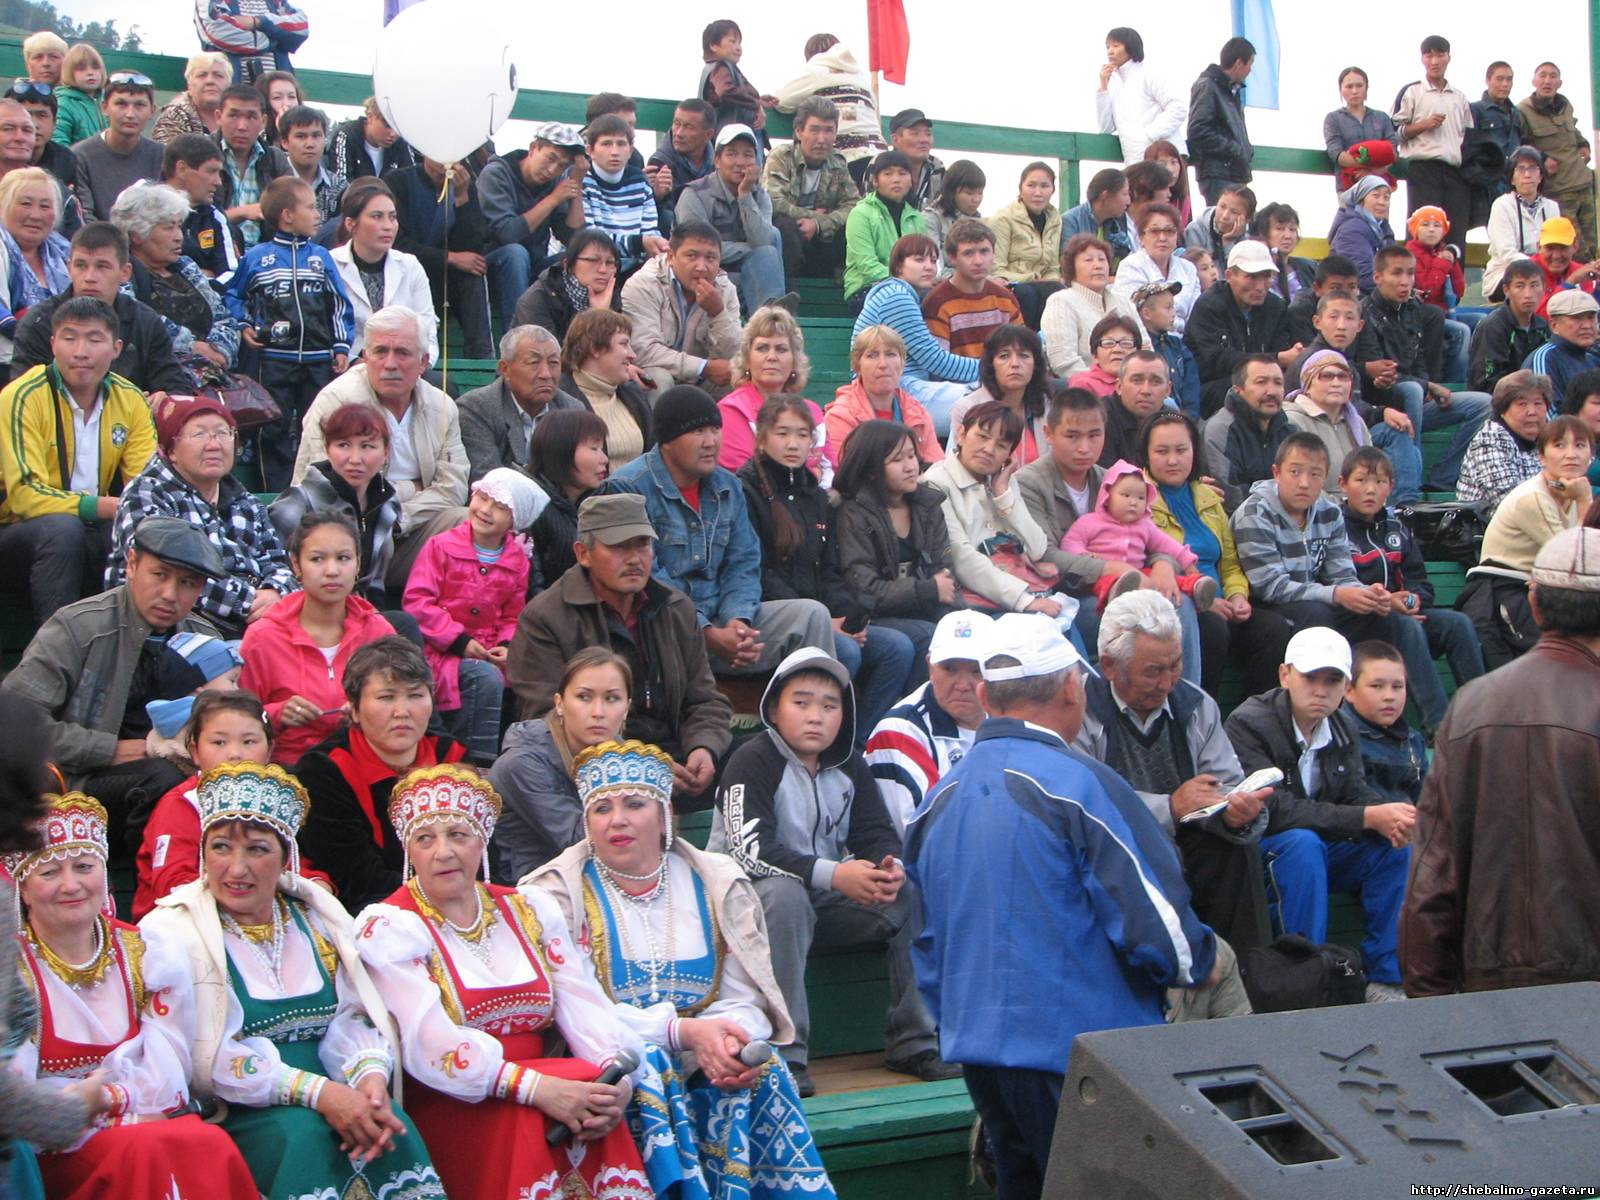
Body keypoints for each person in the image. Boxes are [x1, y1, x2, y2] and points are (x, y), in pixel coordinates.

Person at [906, 613, 1217, 1200]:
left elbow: (923, 941)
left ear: (985, 694)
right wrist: (1198, 963)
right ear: (1074, 688)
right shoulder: (1083, 784)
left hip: (980, 1053)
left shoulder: (935, 800)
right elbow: (1160, 930)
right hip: (1083, 1056)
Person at [530, 733, 835, 1194]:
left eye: (634, 804)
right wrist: (685, 1033)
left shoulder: (716, 882)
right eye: (601, 808)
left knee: (761, 1065)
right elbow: (577, 1014)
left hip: (703, 1059)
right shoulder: (555, 895)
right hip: (611, 1060)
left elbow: (748, 999)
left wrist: (728, 1040)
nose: (617, 820)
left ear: (665, 814)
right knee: (651, 1066)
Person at [344, 762, 653, 1200]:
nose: (443, 852)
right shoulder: (392, 926)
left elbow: (585, 1003)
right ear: (408, 851)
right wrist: (535, 1089)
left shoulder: (529, 909)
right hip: (457, 1098)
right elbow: (431, 1043)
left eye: (459, 835)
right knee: (540, 1112)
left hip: (554, 1081)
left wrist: (615, 1080)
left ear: (482, 841)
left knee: (592, 1091)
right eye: (425, 839)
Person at [140, 759, 446, 1199]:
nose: (237, 868)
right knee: (304, 1136)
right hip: (244, 1108)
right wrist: (321, 1095)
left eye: (257, 849)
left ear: (287, 857)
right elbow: (211, 1057)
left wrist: (369, 1082)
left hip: (338, 1091)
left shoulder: (317, 918)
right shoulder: (174, 931)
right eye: (222, 847)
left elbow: (353, 1015)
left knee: (391, 1126)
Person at [708, 648, 951, 1095]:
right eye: (801, 703)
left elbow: (876, 833)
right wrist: (835, 875)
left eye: (829, 705)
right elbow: (749, 852)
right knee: (785, 893)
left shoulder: (849, 764)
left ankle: (916, 1041)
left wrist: (887, 868)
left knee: (913, 888)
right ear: (774, 708)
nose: (815, 716)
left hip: (821, 903)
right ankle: (786, 1053)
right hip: (748, 907)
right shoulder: (751, 759)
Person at [8, 788, 258, 1199]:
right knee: (143, 1153)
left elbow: (168, 1068)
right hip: (58, 1148)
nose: (71, 885)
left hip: (145, 1119)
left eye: (84, 866)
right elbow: (17, 1098)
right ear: (24, 888)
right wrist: (75, 1109)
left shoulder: (147, 952)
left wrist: (106, 1099)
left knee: (207, 1143)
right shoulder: (14, 973)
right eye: (49, 873)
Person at [1402, 526, 1600, 995]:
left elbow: (1433, 875)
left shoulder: (1471, 704)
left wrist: (1433, 1006)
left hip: (1489, 1002)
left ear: (1533, 604)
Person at [1071, 590, 1272, 950]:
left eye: (1175, 666)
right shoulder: (1079, 711)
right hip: (1116, 852)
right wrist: (1170, 807)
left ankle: (1250, 975)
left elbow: (1224, 783)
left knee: (1233, 851)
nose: (1167, 683)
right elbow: (1085, 805)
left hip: (1190, 844)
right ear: (1109, 666)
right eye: (1153, 672)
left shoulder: (1194, 705)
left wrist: (1239, 812)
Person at [1, 516, 221, 839]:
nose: (170, 594)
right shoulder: (76, 627)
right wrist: (120, 749)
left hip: (176, 776)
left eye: (187, 583)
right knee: (164, 777)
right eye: (159, 575)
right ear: (131, 564)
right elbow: (16, 727)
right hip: (79, 782)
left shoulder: (207, 642)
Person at [1224, 626, 1412, 1002]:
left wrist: (1388, 814)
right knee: (1302, 845)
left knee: (1395, 846)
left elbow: (1355, 791)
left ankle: (1385, 980)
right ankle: (1305, 979)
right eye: (1310, 677)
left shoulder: (1342, 725)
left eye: (1333, 680)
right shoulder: (1248, 722)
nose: (1321, 689)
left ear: (1345, 686)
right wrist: (1363, 818)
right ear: (1284, 675)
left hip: (1318, 847)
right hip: (1257, 853)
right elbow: (1273, 811)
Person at [507, 492, 732, 807]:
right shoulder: (545, 617)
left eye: (642, 545)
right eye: (618, 547)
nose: (634, 559)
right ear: (583, 553)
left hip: (676, 757)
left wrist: (704, 748)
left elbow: (704, 698)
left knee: (746, 762)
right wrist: (641, 763)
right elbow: (550, 721)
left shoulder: (676, 607)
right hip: (592, 769)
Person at [603, 385, 834, 676]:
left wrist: (738, 620)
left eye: (715, 429)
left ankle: (802, 716)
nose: (711, 442)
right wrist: (707, 632)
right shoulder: (629, 488)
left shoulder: (728, 486)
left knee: (811, 615)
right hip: (663, 626)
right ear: (667, 440)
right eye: (698, 432)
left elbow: (744, 562)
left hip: (724, 621)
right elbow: (648, 580)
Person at [739, 395, 916, 737]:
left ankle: (859, 742)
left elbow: (830, 570)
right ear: (762, 438)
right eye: (782, 433)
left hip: (823, 616)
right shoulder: (746, 491)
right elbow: (759, 572)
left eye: (802, 434)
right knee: (845, 651)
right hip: (775, 618)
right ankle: (817, 741)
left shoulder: (817, 497)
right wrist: (822, 621)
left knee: (897, 648)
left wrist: (848, 618)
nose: (793, 443)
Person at [0, 296, 155, 625]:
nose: (80, 351)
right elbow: (25, 496)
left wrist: (122, 511)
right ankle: (53, 659)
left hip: (87, 530)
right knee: (62, 529)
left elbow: (147, 486)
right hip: (14, 532)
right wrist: (104, 506)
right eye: (69, 338)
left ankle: (129, 650)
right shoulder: (22, 395)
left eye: (94, 339)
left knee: (138, 528)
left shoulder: (130, 399)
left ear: (115, 348)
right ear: (53, 344)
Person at [292, 305, 471, 588]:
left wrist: (398, 519)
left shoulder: (443, 407)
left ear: (424, 362)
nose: (389, 364)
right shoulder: (336, 401)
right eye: (379, 352)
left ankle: (451, 624)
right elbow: (320, 487)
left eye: (402, 353)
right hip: (348, 540)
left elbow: (454, 488)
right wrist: (413, 487)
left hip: (411, 533)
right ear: (364, 357)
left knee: (469, 523)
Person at [291, 635, 468, 913]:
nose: (402, 712)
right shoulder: (323, 772)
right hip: (371, 915)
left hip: (456, 905)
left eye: (415, 695)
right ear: (355, 708)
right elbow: (355, 880)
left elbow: (480, 858)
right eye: (386, 697)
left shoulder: (451, 758)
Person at [108, 394, 298, 639]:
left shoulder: (245, 501)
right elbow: (175, 576)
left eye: (222, 433)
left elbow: (278, 563)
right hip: (173, 629)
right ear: (170, 450)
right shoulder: (146, 494)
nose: (214, 445)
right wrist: (251, 601)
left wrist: (275, 593)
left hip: (256, 625)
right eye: (199, 434)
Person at [1140, 410, 1291, 698]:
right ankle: (1200, 715)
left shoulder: (1208, 496)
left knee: (1273, 629)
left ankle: (1254, 717)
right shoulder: (1139, 498)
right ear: (1146, 455)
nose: (1173, 460)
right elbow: (1147, 560)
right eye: (1162, 451)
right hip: (1181, 605)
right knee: (1212, 627)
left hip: (1224, 604)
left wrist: (1237, 597)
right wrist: (1206, 601)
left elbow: (1231, 563)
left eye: (1181, 450)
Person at [402, 469, 541, 765]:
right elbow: (417, 601)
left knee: (519, 677)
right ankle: (476, 760)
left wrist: (507, 644)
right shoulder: (441, 546)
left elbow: (512, 615)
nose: (486, 510)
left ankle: (511, 757)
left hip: (486, 651)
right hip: (438, 650)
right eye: (483, 498)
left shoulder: (516, 563)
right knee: (484, 677)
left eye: (500, 507)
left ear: (514, 521)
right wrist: (458, 640)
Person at [238, 509, 394, 767]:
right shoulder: (262, 637)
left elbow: (402, 704)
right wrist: (277, 713)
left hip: (365, 762)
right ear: (296, 565)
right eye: (317, 559)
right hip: (288, 769)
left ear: (358, 564)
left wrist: (364, 712)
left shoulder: (379, 632)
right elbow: (237, 718)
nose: (332, 570)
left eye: (343, 558)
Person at [1341, 445, 1485, 695]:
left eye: (1380, 481)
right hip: (1359, 626)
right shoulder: (1335, 528)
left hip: (1404, 621)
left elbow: (1419, 583)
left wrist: (1411, 601)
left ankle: (1479, 714)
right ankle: (1437, 726)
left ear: (1391, 486)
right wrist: (1388, 605)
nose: (1371, 489)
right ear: (1343, 484)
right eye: (1361, 480)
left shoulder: (1398, 529)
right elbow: (1339, 586)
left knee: (1457, 624)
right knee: (1409, 627)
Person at [1353, 244, 1491, 490]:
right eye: (1397, 273)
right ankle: (1412, 478)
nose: (1405, 281)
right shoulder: (1365, 313)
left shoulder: (1412, 309)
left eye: (1410, 273)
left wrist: (1425, 383)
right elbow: (1384, 374)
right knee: (1412, 390)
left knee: (1483, 404)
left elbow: (1419, 360)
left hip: (1415, 402)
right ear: (1377, 277)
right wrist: (1425, 385)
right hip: (1382, 408)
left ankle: (1443, 479)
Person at [1460, 416, 1593, 667]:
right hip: (1504, 590)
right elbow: (1575, 560)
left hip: (1546, 592)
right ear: (1541, 457)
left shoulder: (1572, 492)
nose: (1571, 454)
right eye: (1559, 445)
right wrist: (1586, 501)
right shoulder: (1532, 496)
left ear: (1591, 455)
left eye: (1580, 445)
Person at [490, 647, 632, 882]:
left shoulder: (622, 754)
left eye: (612, 698)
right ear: (559, 703)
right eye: (584, 697)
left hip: (608, 883)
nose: (598, 712)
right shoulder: (521, 763)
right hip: (535, 894)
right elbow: (582, 841)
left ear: (626, 708)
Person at [131, 688, 275, 919]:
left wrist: (316, 883)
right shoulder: (181, 804)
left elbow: (295, 866)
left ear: (269, 751)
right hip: (183, 926)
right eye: (219, 742)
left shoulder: (275, 801)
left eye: (249, 741)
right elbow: (172, 884)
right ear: (195, 752)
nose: (235, 753)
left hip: (260, 914)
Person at [10, 221, 192, 397]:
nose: (89, 277)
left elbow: (175, 387)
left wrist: (163, 401)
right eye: (81, 265)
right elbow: (22, 396)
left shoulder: (146, 322)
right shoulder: (38, 322)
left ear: (125, 273)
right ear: (69, 268)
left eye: (102, 266)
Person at [835, 419, 957, 663]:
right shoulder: (854, 513)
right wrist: (926, 589)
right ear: (870, 468)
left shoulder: (928, 504)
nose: (911, 466)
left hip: (922, 608)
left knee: (966, 630)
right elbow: (865, 589)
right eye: (897, 460)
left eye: (912, 456)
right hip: (872, 616)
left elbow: (944, 572)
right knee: (930, 638)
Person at [924, 400, 1062, 616]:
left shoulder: (1002, 481)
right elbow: (961, 558)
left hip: (1022, 590)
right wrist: (1023, 601)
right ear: (961, 434)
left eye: (1001, 445)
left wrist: (1003, 494)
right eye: (982, 436)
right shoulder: (935, 484)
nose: (989, 450)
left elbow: (1036, 548)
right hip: (973, 602)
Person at [865, 608, 991, 829]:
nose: (962, 685)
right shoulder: (900, 732)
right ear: (930, 667)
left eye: (976, 671)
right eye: (950, 669)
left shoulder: (1010, 714)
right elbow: (924, 835)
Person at [268, 402, 401, 607]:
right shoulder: (299, 501)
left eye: (367, 446)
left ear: (385, 453)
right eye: (343, 445)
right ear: (328, 450)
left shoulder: (387, 505)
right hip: (310, 610)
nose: (355, 459)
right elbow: (273, 565)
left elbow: (376, 582)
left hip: (363, 610)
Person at [109, 182, 241, 380]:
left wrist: (219, 350)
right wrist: (193, 348)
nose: (179, 237)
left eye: (179, 226)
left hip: (213, 379)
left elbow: (224, 316)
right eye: (168, 228)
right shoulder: (123, 274)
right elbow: (138, 322)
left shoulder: (186, 266)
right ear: (137, 235)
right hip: (159, 384)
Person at [852, 233, 980, 433]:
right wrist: (991, 368)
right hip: (892, 390)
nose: (929, 266)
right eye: (919, 259)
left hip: (905, 386)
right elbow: (935, 361)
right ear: (898, 267)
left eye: (933, 260)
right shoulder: (896, 297)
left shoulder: (900, 294)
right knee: (980, 404)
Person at [1063, 458, 1217, 613]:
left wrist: (1189, 564)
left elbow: (1169, 545)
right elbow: (1070, 543)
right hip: (1104, 574)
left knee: (1169, 581)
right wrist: (1084, 555)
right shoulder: (1090, 522)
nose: (1133, 502)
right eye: (1126, 495)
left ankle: (1197, 588)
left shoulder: (1145, 525)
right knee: (1106, 582)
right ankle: (1118, 592)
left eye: (1140, 497)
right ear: (1107, 496)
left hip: (1140, 575)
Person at [477, 122, 585, 330]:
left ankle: (573, 339)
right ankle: (517, 336)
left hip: (533, 265)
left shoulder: (555, 183)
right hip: (489, 266)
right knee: (515, 253)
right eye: (550, 158)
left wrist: (577, 183)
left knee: (576, 258)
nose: (552, 170)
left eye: (562, 166)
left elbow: (573, 238)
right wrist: (553, 199)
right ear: (533, 148)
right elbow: (508, 234)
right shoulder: (497, 173)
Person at [389, 154, 498, 360]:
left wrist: (462, 198)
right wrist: (450, 257)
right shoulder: (399, 181)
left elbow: (473, 246)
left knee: (475, 270)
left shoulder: (466, 184)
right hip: (408, 273)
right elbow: (397, 244)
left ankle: (481, 356)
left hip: (446, 280)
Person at [675, 123, 789, 314]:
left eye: (748, 155)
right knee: (767, 249)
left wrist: (745, 195)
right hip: (704, 279)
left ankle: (770, 324)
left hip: (747, 279)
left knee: (772, 240)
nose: (740, 162)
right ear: (717, 160)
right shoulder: (694, 194)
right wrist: (747, 249)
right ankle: (772, 320)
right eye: (731, 154)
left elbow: (764, 242)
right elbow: (696, 249)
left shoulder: (759, 195)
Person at [621, 219, 741, 393]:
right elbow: (644, 351)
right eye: (691, 256)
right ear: (671, 256)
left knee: (738, 378)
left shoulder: (725, 289)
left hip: (701, 380)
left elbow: (733, 355)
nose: (701, 267)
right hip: (654, 371)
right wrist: (703, 367)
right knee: (659, 378)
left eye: (711, 258)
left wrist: (719, 313)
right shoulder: (643, 284)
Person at [327, 177, 438, 362]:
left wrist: (418, 367)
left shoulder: (410, 266)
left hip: (405, 368)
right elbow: (325, 335)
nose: (388, 226)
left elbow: (427, 331)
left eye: (392, 217)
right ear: (350, 223)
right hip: (348, 368)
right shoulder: (330, 265)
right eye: (377, 216)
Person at [1184, 239, 1296, 418]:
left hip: (1263, 384)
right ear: (1229, 276)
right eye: (1251, 277)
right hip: (1212, 390)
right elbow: (1219, 359)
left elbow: (1281, 346)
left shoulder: (1276, 307)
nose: (1260, 286)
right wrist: (1278, 358)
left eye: (1266, 276)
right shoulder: (1209, 306)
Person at [458, 324, 581, 482]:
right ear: (505, 369)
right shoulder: (477, 408)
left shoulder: (571, 410)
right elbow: (489, 481)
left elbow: (577, 478)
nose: (546, 374)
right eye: (533, 363)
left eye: (553, 363)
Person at [716, 304, 826, 476]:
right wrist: (810, 474)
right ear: (747, 358)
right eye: (762, 348)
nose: (772, 357)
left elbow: (831, 471)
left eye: (781, 349)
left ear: (794, 360)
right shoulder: (731, 411)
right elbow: (746, 477)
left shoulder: (813, 412)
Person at [1392, 35, 1474, 256]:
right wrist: (1423, 125)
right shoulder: (1412, 91)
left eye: (1440, 54)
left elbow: (1467, 135)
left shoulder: (1459, 97)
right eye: (1429, 55)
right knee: (1422, 233)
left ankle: (1453, 288)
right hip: (1423, 169)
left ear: (1448, 58)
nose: (1435, 61)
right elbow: (1394, 133)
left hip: (1455, 172)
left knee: (1454, 234)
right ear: (1422, 59)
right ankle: (1416, 288)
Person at [773, 33, 887, 189]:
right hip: (880, 156)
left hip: (846, 157)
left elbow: (781, 101)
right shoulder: (860, 77)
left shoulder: (817, 70)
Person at [764, 95, 857, 282]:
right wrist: (816, 216)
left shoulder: (837, 163)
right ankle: (785, 298)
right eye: (814, 130)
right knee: (785, 227)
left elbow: (855, 206)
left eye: (829, 131)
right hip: (787, 239)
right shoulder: (781, 157)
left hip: (819, 242)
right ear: (799, 132)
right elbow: (773, 203)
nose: (822, 139)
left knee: (851, 228)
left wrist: (818, 224)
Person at [825, 323, 945, 467]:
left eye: (890, 354)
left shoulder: (918, 413)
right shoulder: (840, 416)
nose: (883, 364)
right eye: (872, 355)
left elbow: (936, 470)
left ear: (902, 363)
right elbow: (845, 476)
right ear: (857, 366)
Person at [522, 409, 611, 590]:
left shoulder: (601, 499)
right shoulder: (530, 509)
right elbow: (533, 587)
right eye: (594, 448)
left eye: (602, 449)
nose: (604, 459)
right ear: (561, 451)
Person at [1519, 62, 1597, 257]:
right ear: (1534, 81)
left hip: (1583, 183)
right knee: (1574, 249)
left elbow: (1573, 130)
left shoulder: (1565, 105)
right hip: (1558, 191)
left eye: (1552, 76)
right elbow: (1521, 146)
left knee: (1594, 246)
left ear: (1559, 82)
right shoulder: (1523, 110)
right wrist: (1542, 159)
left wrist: (1583, 144)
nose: (1547, 81)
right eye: (1543, 76)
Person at [1041, 233, 1145, 379]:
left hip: (1132, 386)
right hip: (1086, 391)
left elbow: (1146, 349)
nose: (1098, 266)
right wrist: (1103, 384)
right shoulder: (1061, 301)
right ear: (1072, 268)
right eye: (1088, 260)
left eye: (1102, 260)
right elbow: (1063, 362)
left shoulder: (1124, 302)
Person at [560, 308, 653, 468]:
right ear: (595, 348)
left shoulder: (634, 395)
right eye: (624, 344)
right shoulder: (560, 400)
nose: (632, 355)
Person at [944, 323, 1050, 463]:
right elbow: (957, 468)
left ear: (1035, 364)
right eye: (1004, 356)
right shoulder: (967, 408)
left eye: (1024, 355)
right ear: (991, 364)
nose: (1015, 364)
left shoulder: (1046, 403)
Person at [1283, 348, 1383, 495]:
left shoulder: (1356, 423)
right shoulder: (1292, 421)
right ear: (1307, 385)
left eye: (1343, 377)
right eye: (1326, 376)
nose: (1336, 383)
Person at [1343, 640, 1429, 810]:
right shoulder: (1340, 737)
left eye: (1397, 686)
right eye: (1377, 686)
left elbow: (1428, 798)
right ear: (1349, 691)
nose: (1389, 696)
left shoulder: (1414, 741)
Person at [579, 114, 667, 278]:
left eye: (621, 144)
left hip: (636, 264)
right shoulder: (582, 181)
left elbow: (650, 231)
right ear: (590, 150)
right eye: (606, 144)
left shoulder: (640, 181)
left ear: (630, 150)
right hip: (595, 265)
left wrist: (657, 246)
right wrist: (639, 243)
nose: (614, 152)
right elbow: (589, 240)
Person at [922, 219, 1023, 361]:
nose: (978, 261)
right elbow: (939, 364)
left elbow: (1021, 351)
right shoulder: (937, 303)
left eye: (984, 251)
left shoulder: (1006, 299)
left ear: (994, 253)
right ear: (952, 258)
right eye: (969, 253)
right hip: (956, 382)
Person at [70, 72, 162, 223]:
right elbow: (85, 218)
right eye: (121, 104)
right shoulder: (79, 156)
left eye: (139, 105)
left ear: (152, 110)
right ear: (104, 107)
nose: (130, 114)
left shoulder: (162, 156)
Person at [1201, 354, 1290, 507]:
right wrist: (1286, 496)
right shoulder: (1221, 430)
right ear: (1238, 390)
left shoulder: (1290, 430)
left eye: (1278, 383)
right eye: (1261, 382)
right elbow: (1229, 495)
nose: (1272, 391)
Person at [843, 150, 925, 311]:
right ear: (875, 181)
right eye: (888, 174)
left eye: (902, 173)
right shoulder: (861, 213)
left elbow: (924, 259)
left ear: (911, 180)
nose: (896, 179)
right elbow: (866, 265)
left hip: (909, 287)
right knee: (902, 299)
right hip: (866, 288)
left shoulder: (916, 217)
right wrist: (905, 279)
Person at [211, 85, 290, 250]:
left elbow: (292, 210)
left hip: (266, 256)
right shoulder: (202, 155)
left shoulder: (275, 159)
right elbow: (191, 218)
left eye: (251, 117)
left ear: (264, 121)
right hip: (212, 252)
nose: (242, 126)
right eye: (233, 115)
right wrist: (241, 213)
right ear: (218, 117)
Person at [511, 226, 623, 342]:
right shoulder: (538, 299)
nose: (603, 269)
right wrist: (597, 318)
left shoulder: (613, 296)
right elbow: (553, 357)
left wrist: (603, 314)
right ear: (569, 265)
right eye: (593, 260)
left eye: (610, 262)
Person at [1456, 370, 1552, 504]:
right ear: (1502, 410)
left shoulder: (1550, 437)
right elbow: (1509, 500)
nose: (1532, 412)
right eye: (1522, 404)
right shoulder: (1489, 441)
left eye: (1538, 403)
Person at [985, 161, 1062, 327]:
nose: (1038, 192)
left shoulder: (1055, 219)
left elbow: (1052, 267)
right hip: (1013, 284)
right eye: (1031, 185)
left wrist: (1052, 280)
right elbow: (996, 269)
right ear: (1020, 188)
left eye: (1044, 186)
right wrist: (1032, 279)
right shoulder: (1003, 218)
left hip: (1042, 284)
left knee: (1058, 293)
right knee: (1026, 294)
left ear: (1053, 190)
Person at [1095, 26, 1187, 165]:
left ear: (1131, 47)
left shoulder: (1149, 73)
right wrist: (1103, 87)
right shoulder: (1115, 84)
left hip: (1167, 159)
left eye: (1116, 46)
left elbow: (1178, 108)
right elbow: (1106, 128)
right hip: (1136, 162)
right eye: (1108, 47)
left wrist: (1148, 136)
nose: (1110, 52)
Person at [1186, 37, 1255, 205]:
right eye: (1250, 64)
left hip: (1232, 172)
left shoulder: (1231, 90)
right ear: (1239, 63)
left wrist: (1245, 150)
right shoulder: (1208, 86)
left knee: (1237, 226)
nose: (1250, 70)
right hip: (1217, 173)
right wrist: (1236, 149)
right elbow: (1198, 130)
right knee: (1224, 225)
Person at [1113, 203, 1200, 334]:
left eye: (1169, 231)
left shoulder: (1188, 268)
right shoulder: (1130, 266)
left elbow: (1195, 317)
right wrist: (1179, 326)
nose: (1162, 238)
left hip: (1185, 344)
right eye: (1154, 231)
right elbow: (1132, 317)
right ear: (1141, 237)